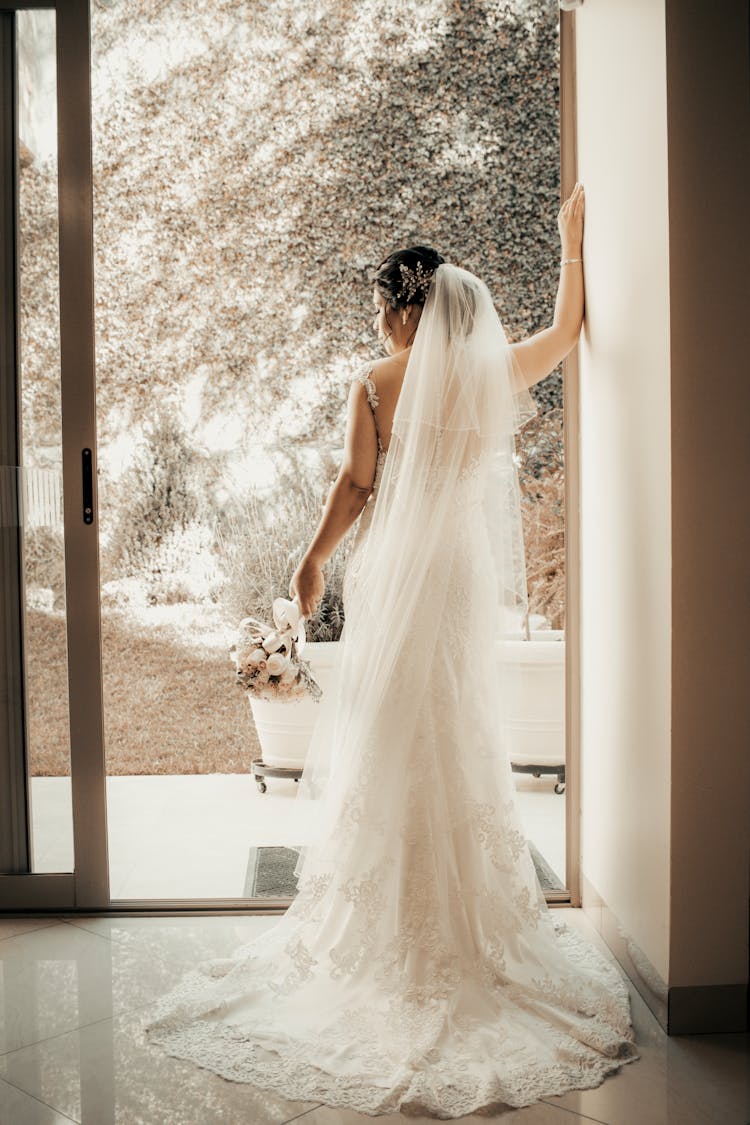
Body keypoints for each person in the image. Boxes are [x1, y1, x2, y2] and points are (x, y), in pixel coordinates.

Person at [142, 183, 640, 1117]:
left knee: (394, 730)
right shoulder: (488, 371)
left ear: (407, 304)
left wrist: (311, 558)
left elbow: (354, 484)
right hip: (456, 582)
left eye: (381, 305)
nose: (378, 320)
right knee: (452, 723)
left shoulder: (376, 382)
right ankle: (461, 924)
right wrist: (572, 244)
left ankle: (388, 921)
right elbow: (569, 333)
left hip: (401, 578)